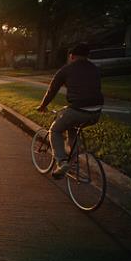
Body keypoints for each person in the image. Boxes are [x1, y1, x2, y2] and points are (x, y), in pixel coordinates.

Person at [36, 43, 104, 179]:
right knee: (71, 126)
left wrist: (42, 106)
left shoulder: (66, 70)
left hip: (78, 109)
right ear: (87, 56)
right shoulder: (95, 69)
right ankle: (72, 161)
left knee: (55, 130)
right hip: (96, 112)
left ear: (71, 56)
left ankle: (62, 162)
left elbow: (51, 91)